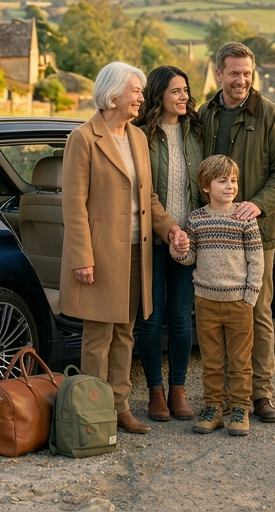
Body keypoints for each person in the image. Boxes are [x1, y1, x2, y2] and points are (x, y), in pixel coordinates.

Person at [61, 61, 185, 434]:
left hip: (136, 251)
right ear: (113, 95)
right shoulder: (83, 138)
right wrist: (82, 257)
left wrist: (170, 229)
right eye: (136, 91)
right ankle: (91, 417)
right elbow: (74, 205)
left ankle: (119, 409)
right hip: (99, 256)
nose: (141, 98)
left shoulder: (137, 138)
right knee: (98, 337)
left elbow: (149, 198)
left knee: (125, 334)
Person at [198, 42, 275, 424]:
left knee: (256, 311)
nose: (241, 80)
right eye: (234, 73)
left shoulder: (272, 115)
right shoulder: (204, 114)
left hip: (257, 232)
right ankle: (222, 397)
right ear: (219, 74)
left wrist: (257, 204)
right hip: (211, 233)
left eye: (246, 73)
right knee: (213, 316)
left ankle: (260, 395)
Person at [171, 154, 263, 437]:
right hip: (206, 302)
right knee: (211, 361)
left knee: (240, 361)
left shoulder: (244, 218)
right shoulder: (197, 218)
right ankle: (212, 408)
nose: (230, 186)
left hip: (239, 303)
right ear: (205, 186)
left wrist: (250, 296)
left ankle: (239, 409)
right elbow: (190, 257)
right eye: (222, 181)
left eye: (233, 180)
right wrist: (178, 250)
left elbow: (256, 260)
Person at [133, 65, 205, 422]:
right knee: (150, 317)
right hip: (151, 238)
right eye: (176, 91)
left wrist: (189, 232)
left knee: (180, 317)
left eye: (186, 90)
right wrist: (169, 230)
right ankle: (155, 392)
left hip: (188, 239)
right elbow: (141, 191)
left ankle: (178, 390)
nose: (184, 97)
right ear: (158, 94)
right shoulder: (139, 135)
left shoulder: (196, 131)